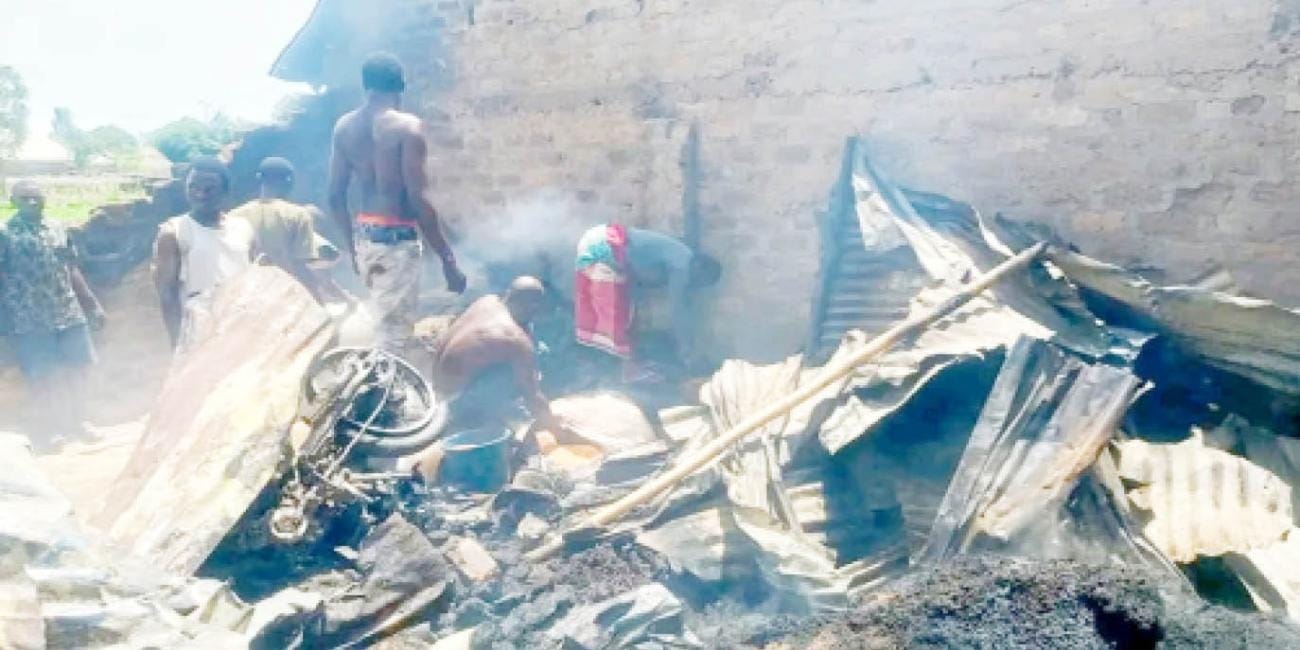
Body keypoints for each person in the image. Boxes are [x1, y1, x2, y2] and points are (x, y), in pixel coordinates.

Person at [328, 52, 466, 351]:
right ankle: (378, 381)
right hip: (396, 242)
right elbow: (418, 199)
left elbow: (335, 196)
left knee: (384, 322)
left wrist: (352, 248)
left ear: (366, 86)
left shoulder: (344, 128)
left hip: (365, 238)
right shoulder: (408, 128)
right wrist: (448, 260)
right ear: (400, 87)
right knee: (393, 338)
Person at [0, 180, 106, 447]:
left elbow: (71, 268)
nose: (32, 202)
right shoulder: (5, 234)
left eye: (36, 197)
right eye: (25, 198)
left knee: (80, 369)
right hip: (28, 317)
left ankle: (80, 422)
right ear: (13, 202)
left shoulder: (58, 228)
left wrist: (91, 303)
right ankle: (49, 430)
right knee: (41, 376)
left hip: (68, 311)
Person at [432, 276, 573, 435]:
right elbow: (532, 395)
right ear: (532, 306)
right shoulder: (514, 339)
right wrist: (555, 428)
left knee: (523, 351)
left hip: (437, 389)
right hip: (455, 403)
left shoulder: (487, 301)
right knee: (528, 361)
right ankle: (481, 419)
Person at [574, 224, 721, 376]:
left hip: (605, 242)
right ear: (699, 267)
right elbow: (677, 310)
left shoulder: (682, 255)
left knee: (623, 315)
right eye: (701, 281)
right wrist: (686, 352)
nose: (696, 286)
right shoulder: (682, 266)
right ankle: (610, 367)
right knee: (615, 316)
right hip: (606, 247)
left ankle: (625, 364)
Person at [152, 157, 255, 349]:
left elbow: (256, 277)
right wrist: (177, 343)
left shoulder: (243, 228)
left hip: (241, 323)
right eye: (193, 187)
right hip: (200, 331)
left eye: (209, 189)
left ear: (225, 191)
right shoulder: (173, 232)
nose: (200, 194)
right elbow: (167, 294)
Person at [229, 156, 339, 301]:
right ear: (289, 182)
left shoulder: (234, 215)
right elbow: (301, 265)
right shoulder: (297, 214)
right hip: (286, 296)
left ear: (259, 180)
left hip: (246, 296)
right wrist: (316, 300)